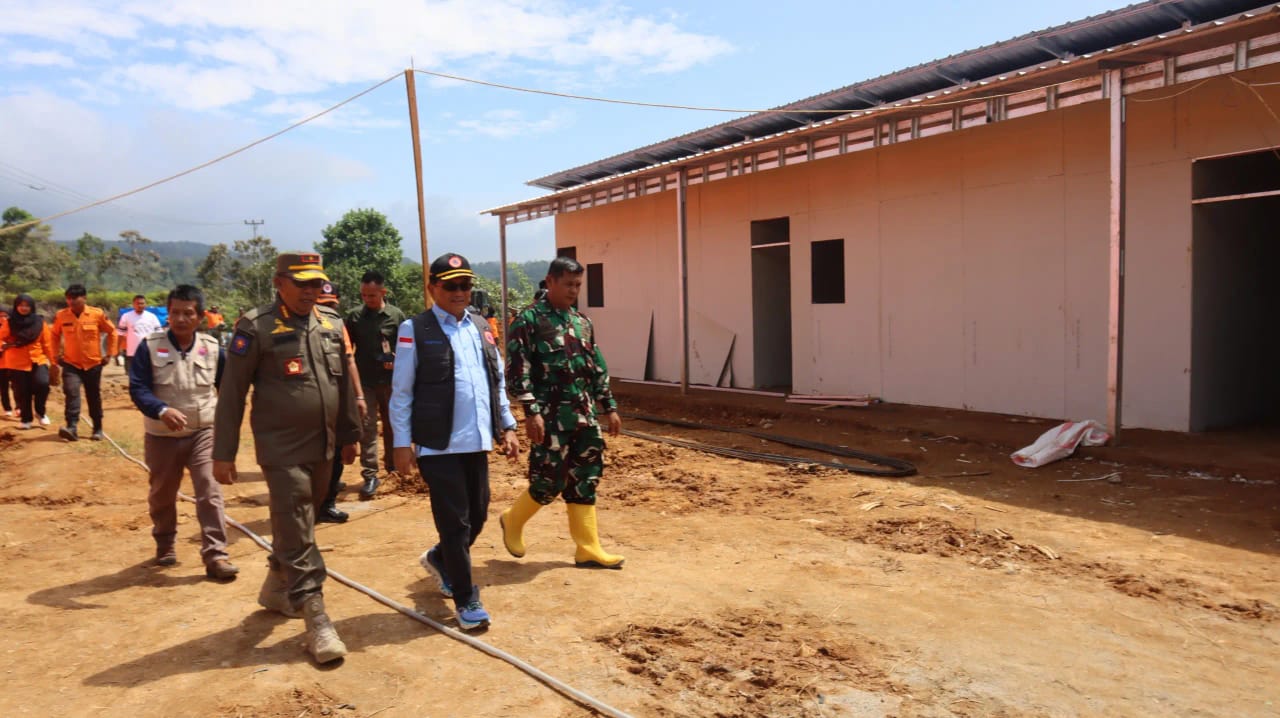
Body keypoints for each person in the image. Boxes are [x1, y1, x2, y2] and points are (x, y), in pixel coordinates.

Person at [212, 252, 360, 664]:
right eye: (302, 284)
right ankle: (316, 617)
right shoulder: (255, 326)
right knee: (296, 519)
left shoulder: (331, 324)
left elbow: (343, 387)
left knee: (301, 521)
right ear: (279, 283)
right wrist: (223, 453)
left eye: (316, 284)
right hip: (281, 448)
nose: (311, 291)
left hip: (324, 446)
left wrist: (350, 436)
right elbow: (232, 393)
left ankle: (277, 585)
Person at [390, 253, 520, 632]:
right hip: (438, 443)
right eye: (451, 286)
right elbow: (402, 392)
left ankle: (440, 557)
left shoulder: (480, 326)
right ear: (433, 288)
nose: (460, 292)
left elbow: (495, 381)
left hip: (476, 440)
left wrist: (508, 425)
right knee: (456, 524)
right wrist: (401, 443)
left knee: (477, 516)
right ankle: (466, 599)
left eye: (465, 285)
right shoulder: (415, 329)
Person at [499, 256, 626, 570]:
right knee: (549, 480)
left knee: (586, 478)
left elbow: (596, 367)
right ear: (550, 281)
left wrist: (608, 406)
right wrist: (531, 411)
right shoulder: (528, 320)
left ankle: (588, 548)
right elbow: (517, 371)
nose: (573, 290)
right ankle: (513, 520)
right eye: (568, 284)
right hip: (550, 418)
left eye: (578, 285)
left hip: (584, 414)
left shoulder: (582, 322)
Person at [127, 285, 238, 580]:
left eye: (188, 313)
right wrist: (161, 409)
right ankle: (165, 543)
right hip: (161, 435)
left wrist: (228, 440)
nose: (180, 319)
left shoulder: (213, 349)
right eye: (175, 312)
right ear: (168, 314)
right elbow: (138, 387)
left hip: (204, 433)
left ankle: (216, 555)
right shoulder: (149, 346)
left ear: (200, 317)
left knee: (209, 491)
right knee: (162, 494)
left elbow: (228, 392)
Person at [345, 270, 406, 499]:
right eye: (364, 295)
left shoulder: (396, 316)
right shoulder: (354, 317)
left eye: (372, 295)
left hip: (391, 381)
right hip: (365, 381)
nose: (367, 299)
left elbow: (407, 346)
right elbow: (347, 349)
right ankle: (370, 474)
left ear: (383, 292)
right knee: (368, 427)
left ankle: (393, 468)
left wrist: (397, 358)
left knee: (392, 425)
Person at [316, 281, 367, 523]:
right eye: (322, 304)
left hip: (335, 398)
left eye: (331, 305)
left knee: (337, 452)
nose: (327, 309)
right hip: (309, 403)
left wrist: (358, 395)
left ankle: (327, 503)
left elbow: (349, 361)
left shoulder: (337, 325)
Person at [50, 284, 118, 441]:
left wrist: (109, 354)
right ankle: (72, 427)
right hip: (71, 363)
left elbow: (112, 332)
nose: (71, 301)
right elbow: (54, 335)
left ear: (84, 298)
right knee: (71, 392)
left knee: (93, 395)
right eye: (68, 298)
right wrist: (55, 355)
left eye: (75, 298)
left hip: (93, 364)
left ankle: (97, 428)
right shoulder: (62, 315)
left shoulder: (96, 314)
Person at [0, 294, 55, 429]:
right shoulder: (9, 323)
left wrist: (53, 362)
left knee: (42, 384)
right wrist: (5, 345)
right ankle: (26, 419)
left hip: (38, 359)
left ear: (32, 307)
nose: (24, 308)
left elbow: (47, 343)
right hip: (17, 362)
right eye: (21, 305)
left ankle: (40, 412)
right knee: (22, 391)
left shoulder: (40, 322)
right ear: (16, 307)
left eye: (27, 305)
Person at [118, 294, 162, 370]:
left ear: (145, 304)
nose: (140, 305)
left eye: (142, 303)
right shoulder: (126, 316)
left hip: (149, 352)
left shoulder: (152, 317)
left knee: (149, 374)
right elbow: (120, 334)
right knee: (133, 375)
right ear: (133, 304)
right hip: (133, 352)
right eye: (138, 303)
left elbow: (159, 334)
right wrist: (118, 349)